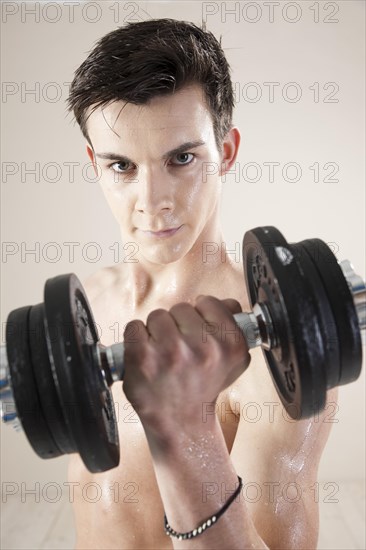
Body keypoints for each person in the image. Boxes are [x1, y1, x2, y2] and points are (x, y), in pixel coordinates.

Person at [66, 18, 337, 549]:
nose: (152, 199)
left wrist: (188, 430)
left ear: (227, 153)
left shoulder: (272, 357)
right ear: (94, 165)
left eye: (181, 158)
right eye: (122, 165)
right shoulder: (90, 304)